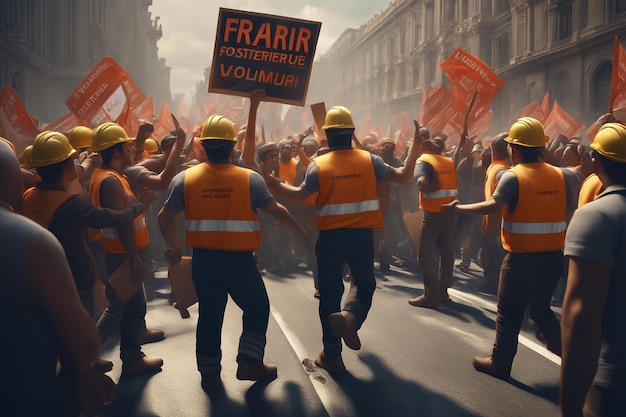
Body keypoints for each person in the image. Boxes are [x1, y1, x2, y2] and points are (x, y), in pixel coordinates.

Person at [157, 111, 306, 391]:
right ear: (232, 146)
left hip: (204, 261)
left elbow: (163, 219)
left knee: (210, 315)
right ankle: (249, 361)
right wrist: (300, 231)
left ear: (202, 144)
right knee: (257, 307)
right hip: (240, 262)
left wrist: (176, 249)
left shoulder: (184, 179)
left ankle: (210, 374)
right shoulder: (251, 179)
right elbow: (277, 210)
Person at [268, 106, 420, 373]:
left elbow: (301, 196)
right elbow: (406, 176)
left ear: (326, 134)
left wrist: (276, 185)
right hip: (362, 237)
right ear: (352, 132)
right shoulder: (370, 161)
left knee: (329, 295)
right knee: (364, 286)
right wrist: (416, 147)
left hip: (330, 239)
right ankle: (351, 317)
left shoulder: (318, 166)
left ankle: (332, 354)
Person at [443, 117, 579, 379]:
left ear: (514, 150)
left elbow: (493, 206)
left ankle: (500, 362)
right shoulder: (565, 175)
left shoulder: (511, 177)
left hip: (520, 260)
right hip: (553, 258)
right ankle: (571, 356)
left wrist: (459, 208)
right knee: (540, 309)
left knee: (509, 311)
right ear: (541, 147)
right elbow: (571, 205)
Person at [0, 138, 116, 417]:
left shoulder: (32, 200)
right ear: (16, 181)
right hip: (27, 397)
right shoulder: (32, 241)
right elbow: (85, 344)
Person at [22, 131, 142, 322]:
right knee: (80, 338)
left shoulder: (28, 196)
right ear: (69, 165)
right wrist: (137, 209)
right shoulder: (72, 203)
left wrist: (86, 162)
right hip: (72, 282)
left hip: (39, 281)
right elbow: (109, 217)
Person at [88, 122, 164, 379]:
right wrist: (134, 258)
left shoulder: (110, 175)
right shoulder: (110, 181)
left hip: (118, 254)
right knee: (126, 308)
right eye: (127, 145)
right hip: (121, 255)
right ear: (116, 151)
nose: (132, 148)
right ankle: (127, 359)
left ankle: (126, 355)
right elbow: (122, 222)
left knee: (124, 308)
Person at [560, 123, 626, 417]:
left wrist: (570, 409)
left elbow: (582, 319)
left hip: (614, 386)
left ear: (595, 160)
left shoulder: (597, 216)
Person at [408, 133, 458, 308]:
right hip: (450, 211)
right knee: (446, 251)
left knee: (425, 252)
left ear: (423, 148)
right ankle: (443, 291)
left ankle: (431, 295)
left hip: (433, 213)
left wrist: (429, 187)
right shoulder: (447, 161)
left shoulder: (423, 161)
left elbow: (422, 183)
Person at [479, 133, 510, 294]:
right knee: (492, 258)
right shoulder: (501, 170)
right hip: (495, 225)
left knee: (491, 258)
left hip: (493, 224)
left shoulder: (496, 168)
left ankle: (491, 284)